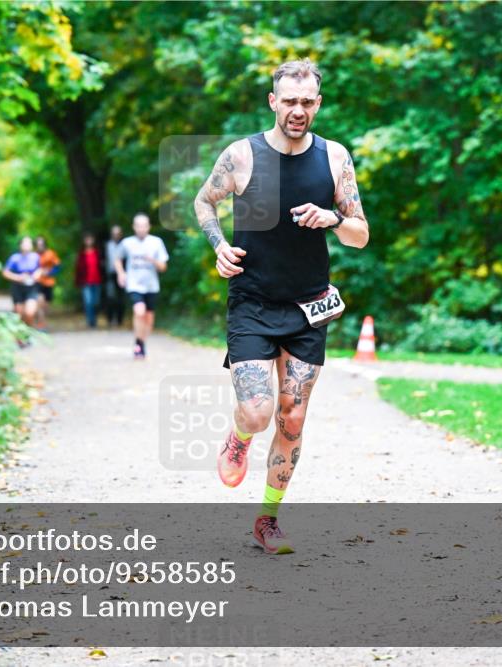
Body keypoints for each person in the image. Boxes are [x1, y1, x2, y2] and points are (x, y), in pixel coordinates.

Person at [193, 59, 369, 554]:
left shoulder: (335, 159)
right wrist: (218, 245)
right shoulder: (241, 155)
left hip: (310, 305)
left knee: (291, 419)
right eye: (289, 100)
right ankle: (239, 436)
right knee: (257, 410)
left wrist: (332, 218)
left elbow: (361, 234)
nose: (298, 110)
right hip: (252, 300)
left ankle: (268, 519)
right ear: (273, 102)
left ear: (318, 103)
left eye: (307, 101)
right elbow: (204, 202)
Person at [113, 213, 169, 359]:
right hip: (134, 284)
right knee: (139, 311)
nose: (141, 229)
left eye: (144, 226)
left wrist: (153, 261)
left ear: (148, 226)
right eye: (138, 226)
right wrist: (121, 273)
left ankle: (141, 342)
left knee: (149, 318)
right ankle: (139, 344)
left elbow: (163, 267)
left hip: (151, 286)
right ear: (134, 227)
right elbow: (117, 259)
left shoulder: (156, 242)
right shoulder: (127, 243)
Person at [2, 236, 41, 328]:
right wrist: (18, 277)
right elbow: (5, 272)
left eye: (29, 243)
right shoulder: (14, 258)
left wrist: (37, 274)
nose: (27, 245)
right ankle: (20, 335)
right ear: (20, 245)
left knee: (29, 312)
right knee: (19, 313)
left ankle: (28, 332)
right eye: (25, 243)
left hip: (31, 287)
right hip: (18, 287)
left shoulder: (35, 257)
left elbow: (40, 269)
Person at [75, 232, 104, 328]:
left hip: (97, 280)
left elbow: (101, 266)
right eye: (87, 239)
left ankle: (94, 318)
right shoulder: (81, 254)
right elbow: (78, 269)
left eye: (90, 239)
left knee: (96, 302)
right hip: (86, 281)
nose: (89, 241)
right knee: (88, 302)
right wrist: (78, 281)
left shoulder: (97, 252)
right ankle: (90, 321)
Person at [35, 236, 61, 331]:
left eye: (41, 244)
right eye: (38, 245)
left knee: (46, 306)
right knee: (39, 302)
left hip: (49, 283)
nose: (40, 246)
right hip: (37, 282)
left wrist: (49, 273)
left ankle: (43, 322)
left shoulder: (51, 253)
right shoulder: (34, 255)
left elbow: (58, 266)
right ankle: (41, 324)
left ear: (44, 245)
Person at [104, 224, 126, 327]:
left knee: (121, 298)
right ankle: (110, 318)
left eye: (118, 233)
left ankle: (119, 319)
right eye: (114, 233)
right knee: (110, 297)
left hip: (122, 275)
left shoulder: (125, 244)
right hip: (110, 275)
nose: (116, 235)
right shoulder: (107, 245)